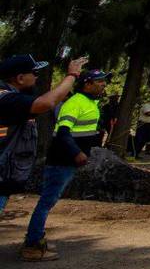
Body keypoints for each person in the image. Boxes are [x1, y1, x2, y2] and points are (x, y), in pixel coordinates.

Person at [20, 69, 110, 262]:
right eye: (99, 81)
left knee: (49, 200)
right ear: (86, 84)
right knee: (47, 201)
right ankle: (32, 244)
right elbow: (63, 132)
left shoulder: (89, 103)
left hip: (68, 161)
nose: (103, 84)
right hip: (61, 161)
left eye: (104, 81)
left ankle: (35, 238)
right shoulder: (74, 103)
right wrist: (76, 153)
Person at [0, 55, 87, 217]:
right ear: (20, 78)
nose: (36, 77)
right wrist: (72, 75)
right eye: (34, 73)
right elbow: (46, 103)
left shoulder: (13, 98)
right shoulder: (6, 98)